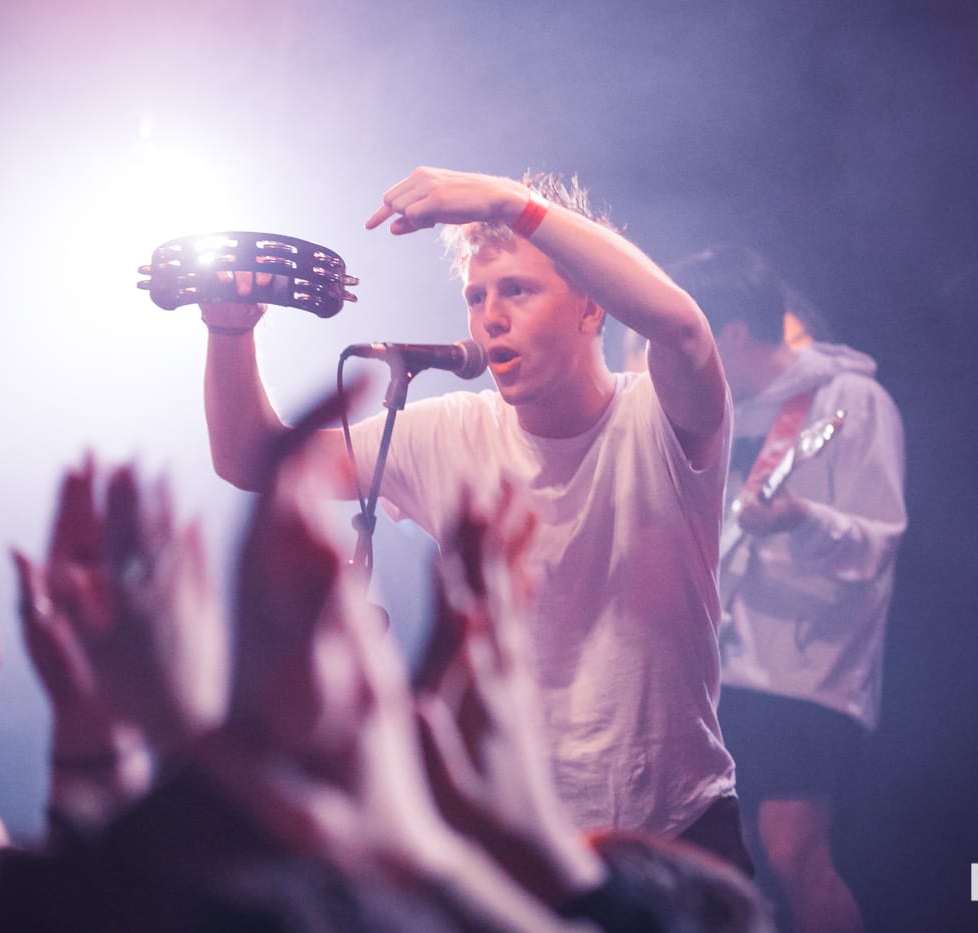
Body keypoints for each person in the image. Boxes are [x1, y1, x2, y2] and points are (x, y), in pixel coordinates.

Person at [199, 166, 748, 869]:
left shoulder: (662, 417)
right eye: (476, 296)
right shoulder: (446, 432)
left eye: (517, 290)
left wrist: (509, 204)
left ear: (591, 309)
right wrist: (228, 330)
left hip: (679, 831)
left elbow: (683, 328)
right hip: (514, 832)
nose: (490, 316)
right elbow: (250, 457)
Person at [646, 244, 907, 933]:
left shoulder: (854, 401)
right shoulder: (722, 409)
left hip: (810, 670)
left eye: (687, 334)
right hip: (722, 663)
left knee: (795, 850)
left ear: (730, 333)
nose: (677, 353)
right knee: (711, 855)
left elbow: (880, 540)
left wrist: (800, 519)